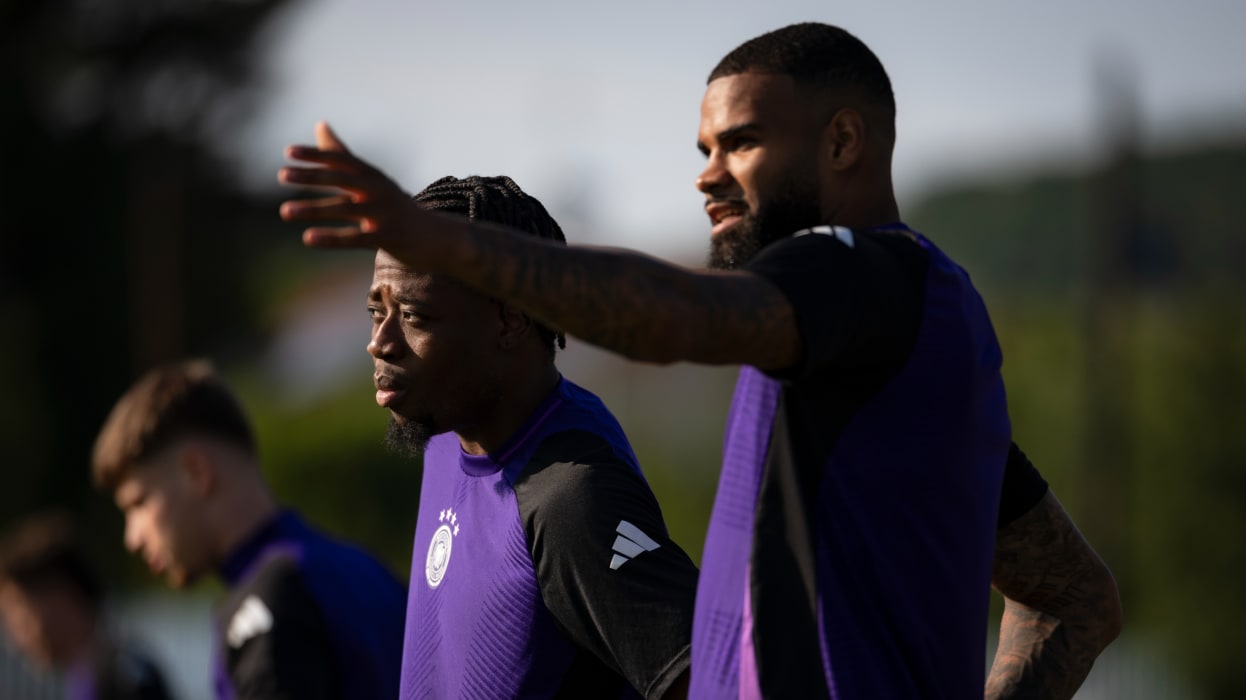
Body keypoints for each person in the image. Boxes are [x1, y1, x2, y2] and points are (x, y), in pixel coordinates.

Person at [277, 22, 1120, 699]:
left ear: (844, 141)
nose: (706, 179)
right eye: (701, 151)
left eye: (740, 145)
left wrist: (445, 244)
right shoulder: (884, 353)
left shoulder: (866, 270)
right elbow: (1074, 598)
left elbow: (676, 320)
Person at [371, 173, 696, 699]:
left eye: (412, 315)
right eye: (375, 313)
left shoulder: (572, 499)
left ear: (511, 319)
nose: (379, 343)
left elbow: (714, 681)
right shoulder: (445, 442)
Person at [91, 359, 406, 700]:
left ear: (196, 472)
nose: (132, 538)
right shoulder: (365, 568)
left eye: (138, 504)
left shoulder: (266, 604)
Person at [0, 510, 173, 700]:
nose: (15, 640)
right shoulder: (91, 679)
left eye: (17, 614)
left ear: (60, 598)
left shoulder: (126, 681)